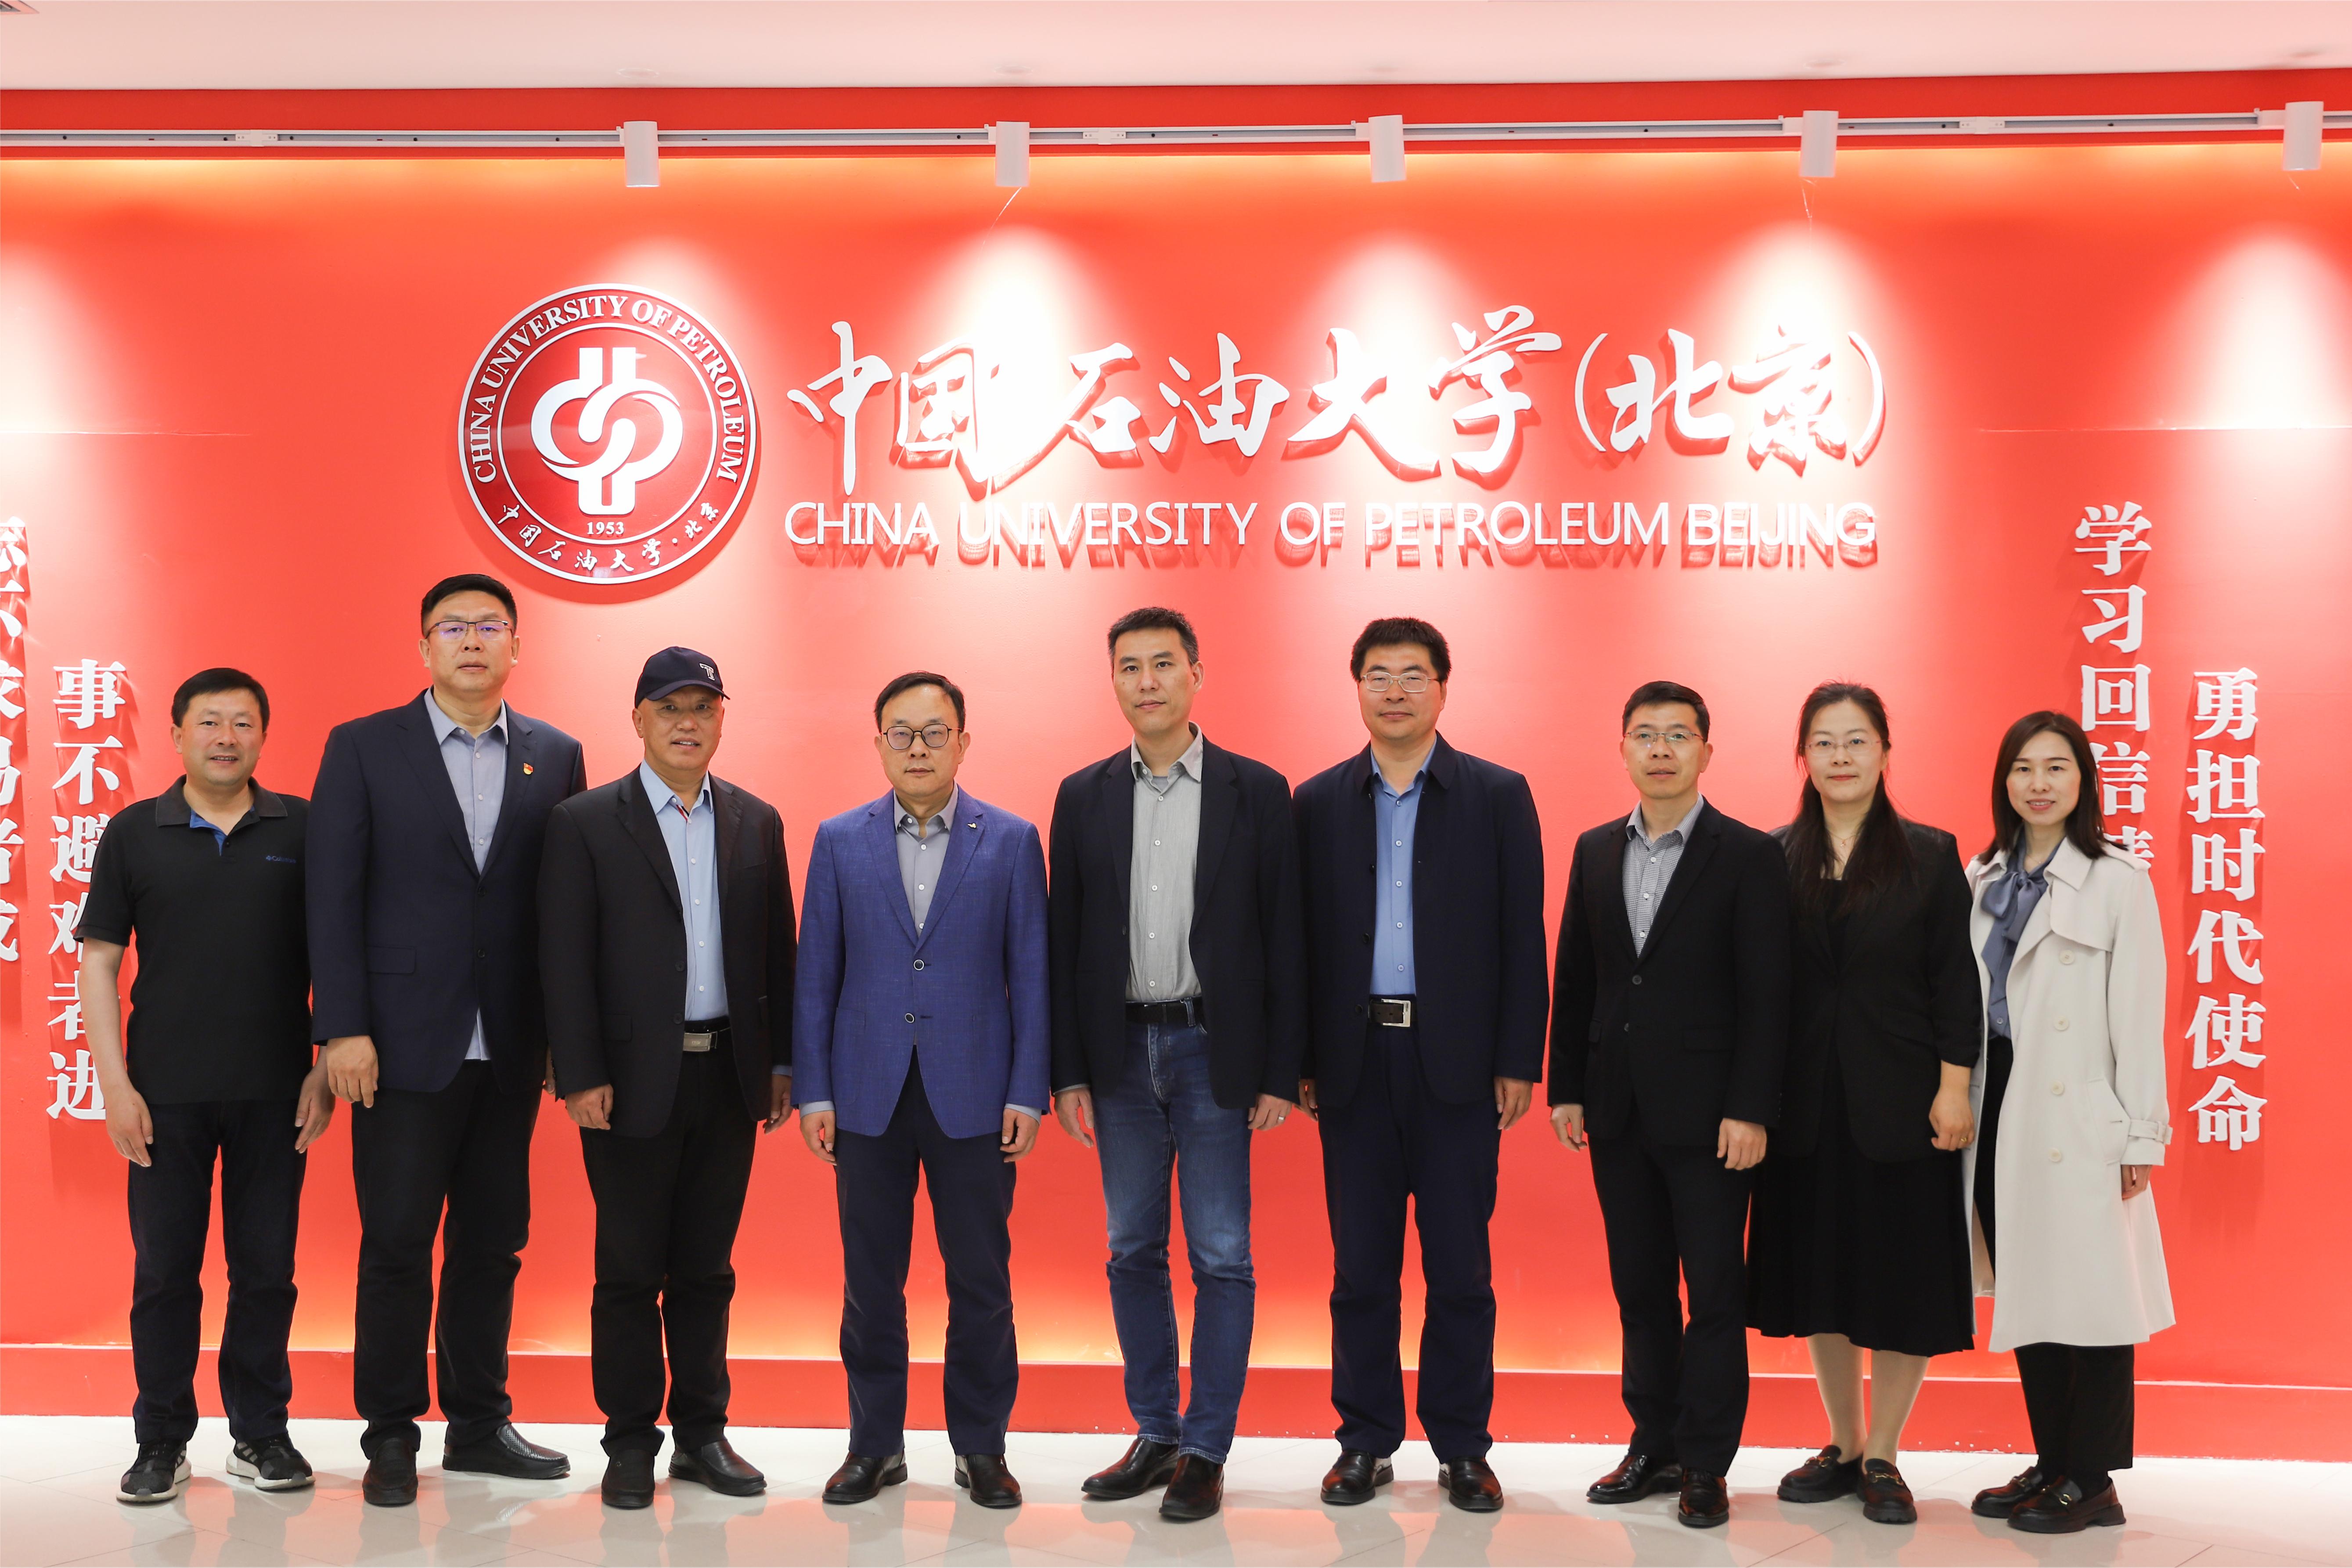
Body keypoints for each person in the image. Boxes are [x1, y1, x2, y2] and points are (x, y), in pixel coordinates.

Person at [307, 573, 587, 1507]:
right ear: (423, 647)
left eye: (490, 626)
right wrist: (342, 1027)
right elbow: (332, 897)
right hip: (396, 1045)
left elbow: (565, 910)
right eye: (453, 627)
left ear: (517, 645)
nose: (472, 641)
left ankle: (477, 1423)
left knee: (493, 1242)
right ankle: (390, 1433)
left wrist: (565, 1038)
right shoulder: (362, 746)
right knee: (395, 1244)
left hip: (509, 1045)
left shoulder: (557, 753)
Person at [1048, 607, 1307, 1522]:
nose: (1147, 681)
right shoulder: (1081, 795)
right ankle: (1156, 1431)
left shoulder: (1256, 789)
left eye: (1164, 664)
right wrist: (1067, 1071)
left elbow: (1286, 935)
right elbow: (1065, 941)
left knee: (1223, 1256)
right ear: (1114, 681)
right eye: (1130, 667)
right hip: (1118, 1052)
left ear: (1197, 673)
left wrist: (1279, 1068)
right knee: (1130, 1249)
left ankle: (1206, 1449)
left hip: (1213, 1050)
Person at [1291, 617, 1545, 1515]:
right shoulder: (1316, 801)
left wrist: (1518, 1057)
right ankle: (1363, 1441)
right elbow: (1298, 942)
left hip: (1459, 1068)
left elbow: (1522, 935)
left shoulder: (1497, 795)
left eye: (1411, 675)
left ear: (1443, 686)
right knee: (1360, 1271)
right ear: (1356, 686)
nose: (1393, 691)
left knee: (1460, 1272)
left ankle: (1463, 1447)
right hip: (1354, 1063)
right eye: (1377, 675)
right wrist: (1302, 1059)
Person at [537, 648, 797, 1509]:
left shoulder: (756, 820)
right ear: (639, 719)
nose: (688, 723)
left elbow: (779, 953)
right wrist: (579, 1073)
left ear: (721, 719)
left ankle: (701, 1435)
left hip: (729, 1075)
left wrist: (781, 1063)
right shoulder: (584, 822)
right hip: (625, 1083)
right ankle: (628, 1442)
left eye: (703, 708)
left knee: (706, 1270)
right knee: (626, 1273)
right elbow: (563, 959)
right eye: (670, 708)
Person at [77, 670, 335, 1504]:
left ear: (264, 735)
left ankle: (261, 1434)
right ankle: (161, 1441)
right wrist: (115, 1085)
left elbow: (340, 950)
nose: (227, 738)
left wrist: (326, 1063)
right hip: (164, 1095)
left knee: (266, 1273)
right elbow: (99, 961)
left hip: (277, 1091)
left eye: (243, 723)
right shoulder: (134, 832)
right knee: (164, 1275)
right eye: (210, 722)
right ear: (178, 735)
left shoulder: (304, 827)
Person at [794, 672, 1049, 1511]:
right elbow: (816, 975)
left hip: (976, 1093)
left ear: (962, 743)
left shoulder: (1010, 840)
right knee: (870, 1284)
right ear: (878, 744)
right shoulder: (839, 840)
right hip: (865, 1093)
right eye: (900, 733)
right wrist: (814, 1091)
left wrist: (1027, 1090)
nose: (916, 748)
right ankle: (874, 1446)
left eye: (934, 733)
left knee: (981, 1281)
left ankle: (981, 1447)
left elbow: (1031, 976)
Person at [1550, 680, 1792, 1530]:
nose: (1661, 749)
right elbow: (1577, 975)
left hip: (1714, 1119)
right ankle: (1651, 1443)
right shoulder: (1593, 849)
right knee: (1640, 1290)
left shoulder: (1749, 854)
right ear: (1623, 749)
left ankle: (1705, 1462)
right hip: (1616, 1109)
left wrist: (1751, 1107)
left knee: (1714, 1294)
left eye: (1678, 735)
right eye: (1645, 734)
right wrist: (1567, 1086)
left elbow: (1768, 993)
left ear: (1705, 752)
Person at [1746, 684, 1981, 1525]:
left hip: (1904, 1105)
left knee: (1902, 1282)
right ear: (1802, 756)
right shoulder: (1771, 857)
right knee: (1822, 1279)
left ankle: (1884, 1451)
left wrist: (1953, 1088)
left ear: (1885, 751)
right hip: (1803, 1109)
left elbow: (1955, 983)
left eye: (1856, 740)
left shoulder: (1929, 854)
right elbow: (1756, 989)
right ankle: (1843, 1444)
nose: (1840, 757)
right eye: (1823, 742)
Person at [1963, 712, 2172, 1535]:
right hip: (1999, 1106)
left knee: (2094, 1295)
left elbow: (2139, 1013)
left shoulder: (2117, 879)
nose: (2038, 783)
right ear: (2003, 782)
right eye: (2022, 768)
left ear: (2083, 780)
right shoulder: (1980, 876)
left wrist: (2140, 1132)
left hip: (2080, 1112)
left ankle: (2092, 1478)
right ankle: (2053, 1460)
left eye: (2056, 767)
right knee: (2030, 1287)